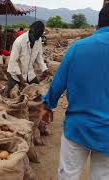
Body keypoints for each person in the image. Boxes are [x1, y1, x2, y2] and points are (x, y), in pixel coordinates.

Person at [39, 5, 109, 180]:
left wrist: (47, 105)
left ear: (98, 24)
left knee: (68, 175)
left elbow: (58, 82)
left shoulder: (78, 48)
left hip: (77, 127)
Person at [6, 21, 49, 97]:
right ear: (31, 31)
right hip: (16, 75)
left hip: (30, 73)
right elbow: (13, 62)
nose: (37, 39)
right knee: (12, 97)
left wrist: (44, 69)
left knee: (38, 93)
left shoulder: (38, 40)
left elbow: (39, 57)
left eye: (39, 36)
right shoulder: (19, 41)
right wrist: (21, 79)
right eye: (36, 36)